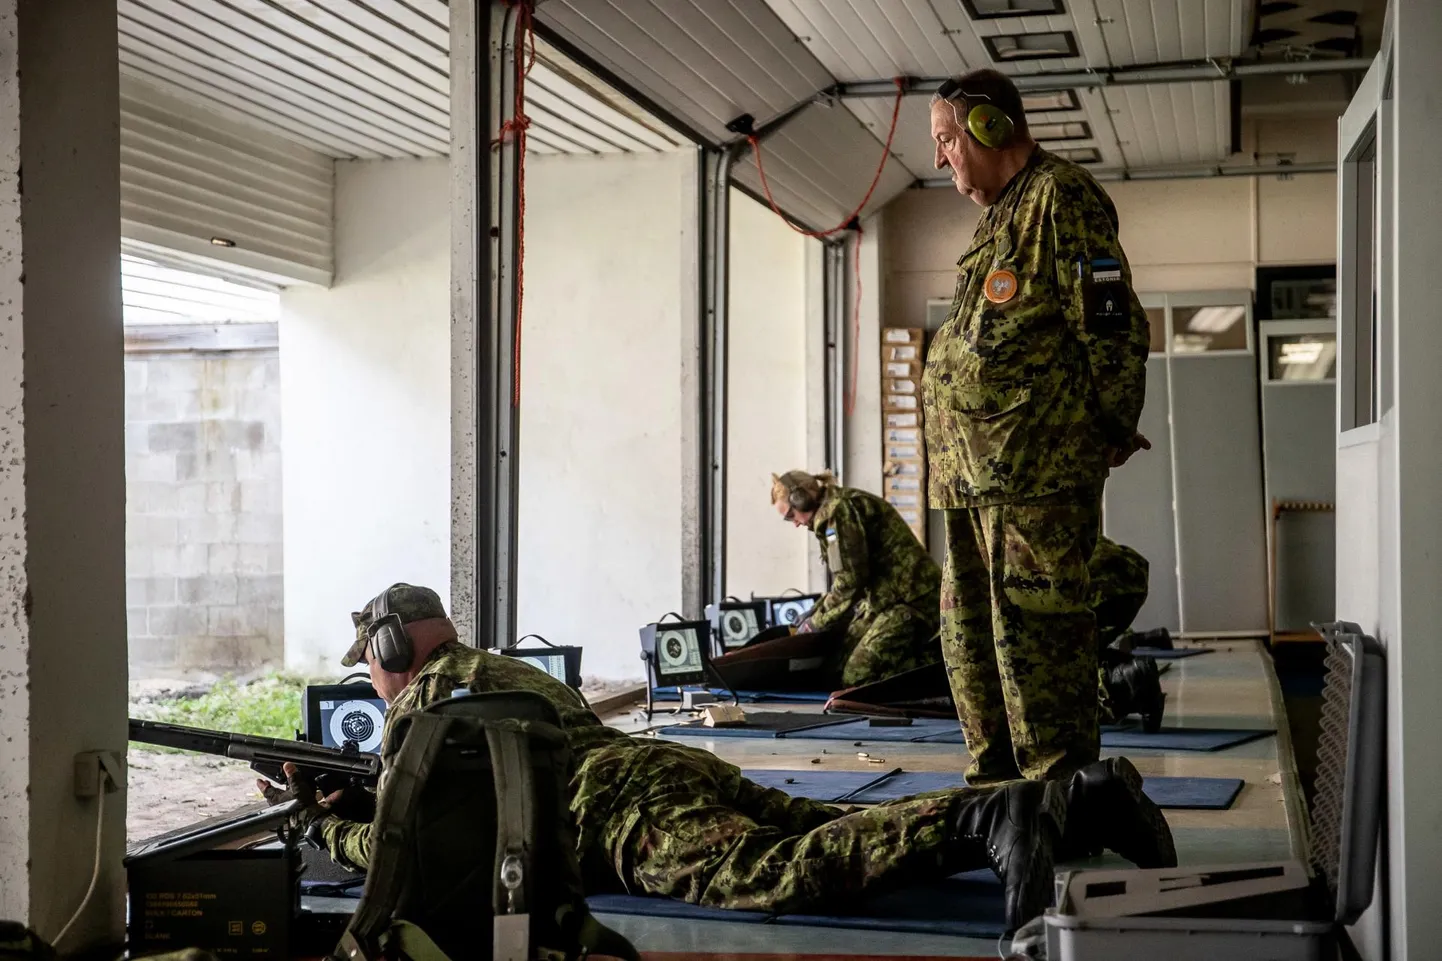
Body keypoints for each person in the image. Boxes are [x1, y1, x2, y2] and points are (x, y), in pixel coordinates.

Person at [261, 583, 1175, 933]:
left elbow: (408, 851)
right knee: (838, 824)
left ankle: (994, 812)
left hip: (619, 816)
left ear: (389, 650)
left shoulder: (422, 709)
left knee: (777, 873)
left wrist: (320, 824)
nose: (372, 687)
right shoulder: (499, 669)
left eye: (372, 670)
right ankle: (1074, 800)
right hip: (656, 768)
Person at [922, 69, 1151, 785]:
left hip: (1035, 475)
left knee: (1039, 639)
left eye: (946, 139)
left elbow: (1109, 320)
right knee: (973, 643)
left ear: (989, 128)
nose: (941, 158)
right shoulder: (998, 219)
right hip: (970, 480)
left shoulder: (1061, 198)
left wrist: (1113, 421)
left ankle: (1059, 800)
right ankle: (1000, 796)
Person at [770, 470, 942, 687]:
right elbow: (848, 578)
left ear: (801, 499)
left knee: (858, 676)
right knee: (836, 666)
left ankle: (941, 668)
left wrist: (816, 623)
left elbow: (851, 581)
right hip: (886, 599)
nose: (795, 523)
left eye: (790, 515)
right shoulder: (832, 509)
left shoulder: (839, 510)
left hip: (913, 601)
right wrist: (816, 610)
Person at [1090, 536, 1165, 728]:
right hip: (1122, 571)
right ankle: (1128, 675)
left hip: (1091, 584)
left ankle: (1124, 685)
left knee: (1041, 695)